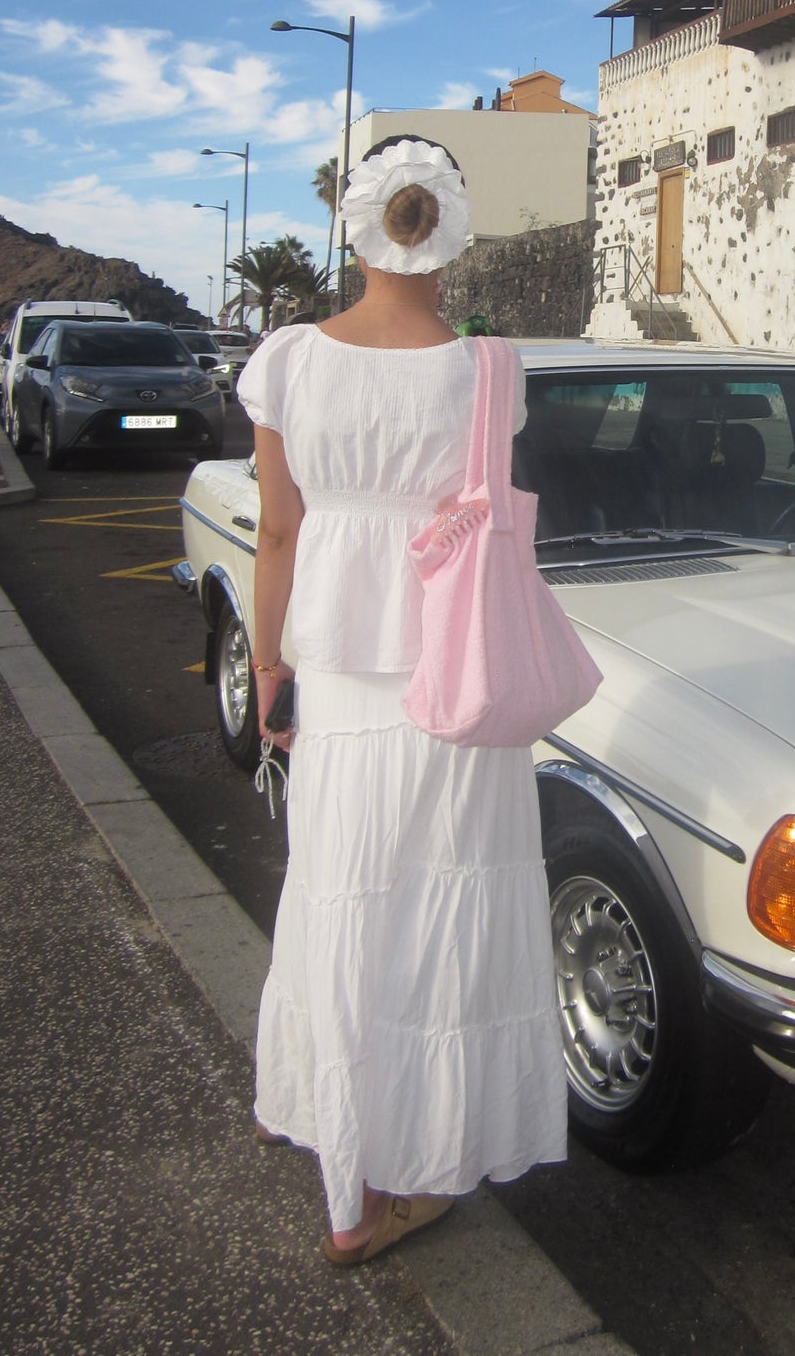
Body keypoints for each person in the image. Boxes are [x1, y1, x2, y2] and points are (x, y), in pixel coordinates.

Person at [237, 137, 566, 1267]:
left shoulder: (286, 360)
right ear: (451, 228)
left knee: (345, 901)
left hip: (334, 666)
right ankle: (417, 1158)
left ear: (358, 222)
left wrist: (268, 670)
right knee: (439, 919)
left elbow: (278, 531)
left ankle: (349, 1195)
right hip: (454, 677)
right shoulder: (489, 369)